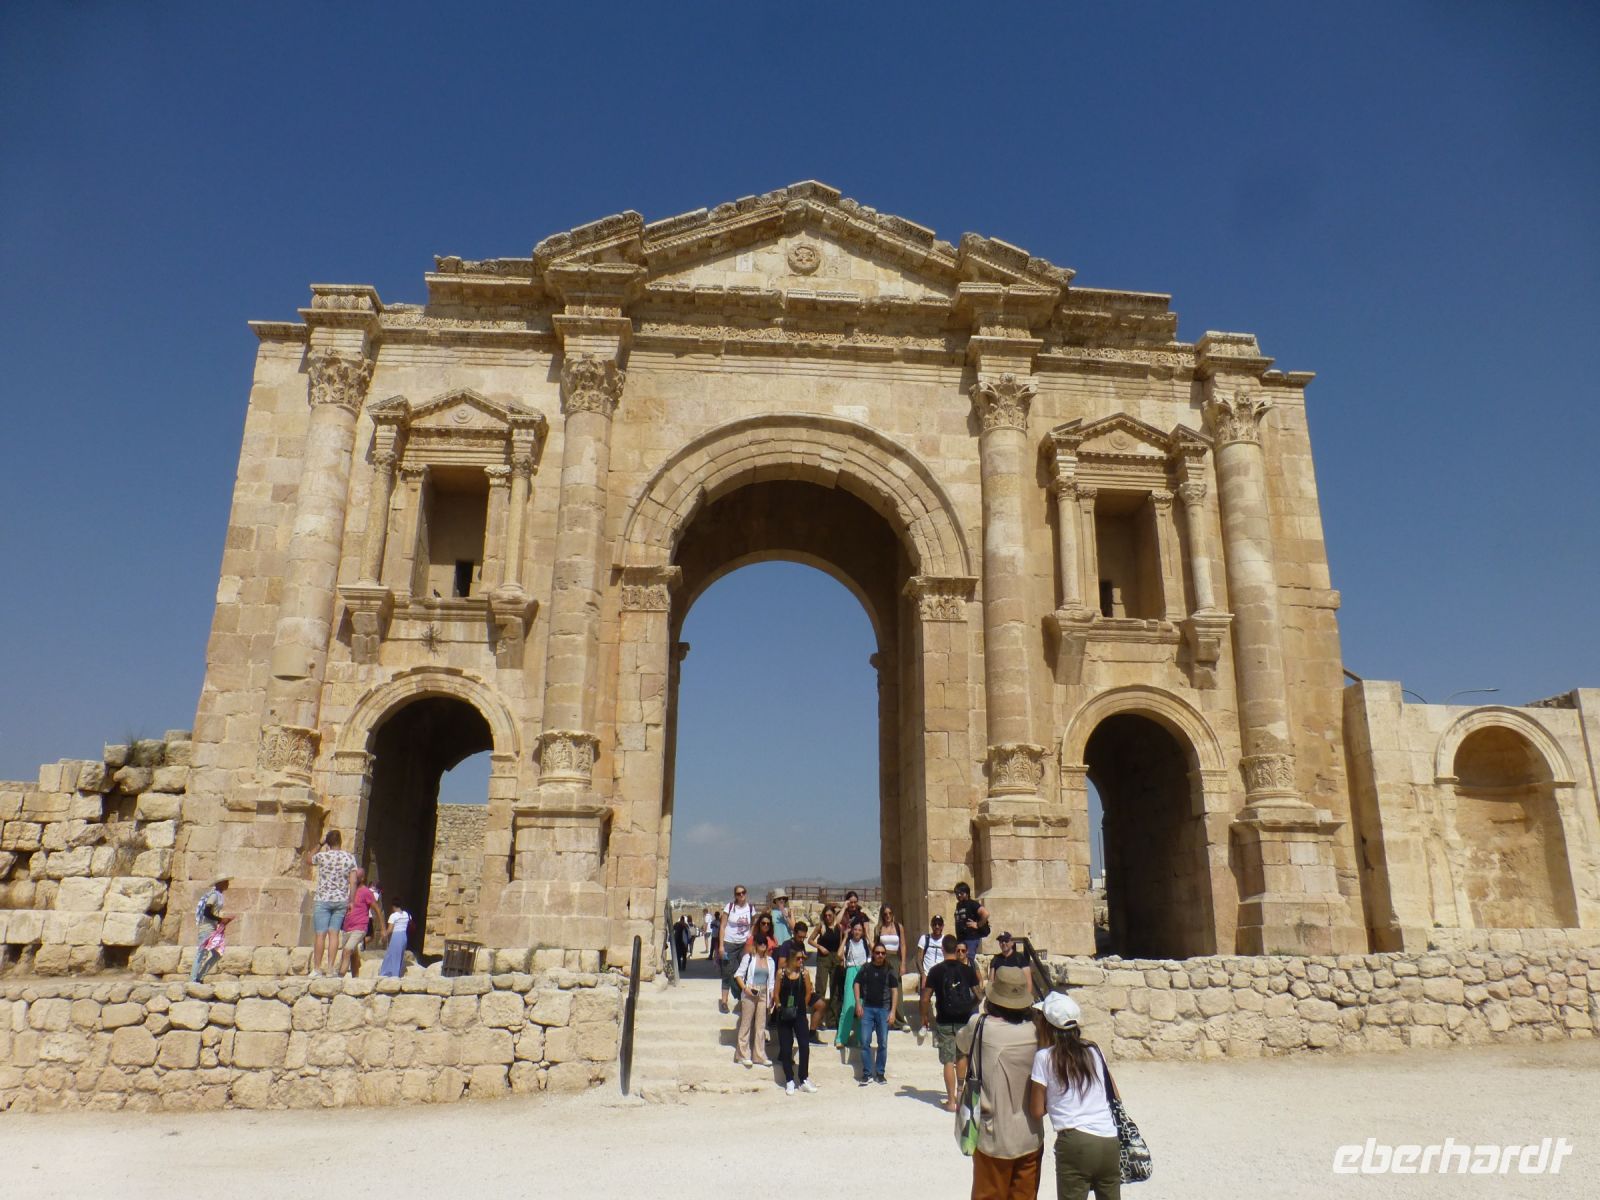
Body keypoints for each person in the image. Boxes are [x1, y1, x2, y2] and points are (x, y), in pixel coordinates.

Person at [956, 967, 1047, 1199]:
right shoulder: (1037, 1031)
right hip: (1030, 1134)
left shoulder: (980, 1025)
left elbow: (962, 1043)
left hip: (993, 1135)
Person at [1028, 991, 1121, 1200]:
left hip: (1075, 1143)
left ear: (1047, 1025)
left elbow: (1036, 1111)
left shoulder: (1044, 1058)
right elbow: (1114, 1094)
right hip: (1108, 1139)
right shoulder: (1094, 1050)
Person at [926, 934, 982, 1110]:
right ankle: (960, 1092)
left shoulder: (935, 971)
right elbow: (979, 994)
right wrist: (970, 1005)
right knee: (962, 1055)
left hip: (944, 1019)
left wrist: (926, 1016)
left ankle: (951, 1102)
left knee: (948, 1061)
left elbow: (925, 997)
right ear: (955, 949)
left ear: (942, 948)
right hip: (963, 1019)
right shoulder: (967, 970)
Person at [304, 830, 357, 976]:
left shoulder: (323, 856)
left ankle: (316, 968)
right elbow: (353, 881)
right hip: (340, 900)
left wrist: (320, 844)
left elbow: (308, 859)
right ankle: (331, 968)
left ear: (328, 842)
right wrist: (351, 901)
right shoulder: (349, 858)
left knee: (320, 935)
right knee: (334, 935)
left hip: (323, 899)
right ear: (340, 841)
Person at [771, 945, 818, 1094]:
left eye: (802, 958)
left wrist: (801, 1008)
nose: (800, 961)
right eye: (797, 958)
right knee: (786, 1048)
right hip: (784, 1014)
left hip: (799, 1014)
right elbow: (776, 993)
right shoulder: (781, 973)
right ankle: (789, 1079)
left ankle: (803, 1077)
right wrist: (779, 1005)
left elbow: (808, 993)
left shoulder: (804, 973)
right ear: (791, 959)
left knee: (804, 1046)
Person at [851, 942, 899, 1085]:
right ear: (873, 954)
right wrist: (858, 1003)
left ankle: (880, 1073)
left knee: (882, 1043)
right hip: (868, 1009)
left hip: (883, 1009)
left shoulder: (889, 970)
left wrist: (893, 1011)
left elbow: (894, 990)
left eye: (883, 953)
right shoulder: (866, 968)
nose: (880, 956)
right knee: (865, 1041)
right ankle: (867, 1074)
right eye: (877, 953)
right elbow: (856, 983)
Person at [733, 937, 775, 1068]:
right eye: (761, 943)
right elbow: (738, 975)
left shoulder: (770, 961)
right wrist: (745, 988)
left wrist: (772, 996)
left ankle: (759, 1055)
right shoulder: (749, 958)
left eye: (765, 943)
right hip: (751, 991)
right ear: (756, 944)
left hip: (763, 993)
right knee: (746, 1024)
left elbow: (771, 981)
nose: (763, 945)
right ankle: (743, 1054)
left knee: (761, 1025)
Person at [833, 919, 871, 1049]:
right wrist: (845, 937)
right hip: (851, 972)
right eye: (855, 929)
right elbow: (839, 955)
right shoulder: (848, 943)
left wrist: (867, 935)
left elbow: (874, 948)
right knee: (848, 1006)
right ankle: (841, 1038)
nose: (857, 932)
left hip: (864, 972)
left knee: (863, 1008)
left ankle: (862, 1039)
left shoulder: (865, 943)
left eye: (860, 930)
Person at [337, 868, 381, 977]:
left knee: (347, 950)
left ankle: (341, 976)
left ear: (362, 878)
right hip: (347, 927)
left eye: (356, 877)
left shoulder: (366, 892)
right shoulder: (349, 891)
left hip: (360, 926)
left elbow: (377, 909)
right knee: (351, 954)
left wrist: (383, 929)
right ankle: (355, 976)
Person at [190, 877, 233, 982]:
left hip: (213, 928)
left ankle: (199, 977)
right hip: (207, 928)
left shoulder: (219, 895)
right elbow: (207, 912)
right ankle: (193, 980)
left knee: (217, 954)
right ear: (220, 883)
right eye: (226, 882)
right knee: (202, 953)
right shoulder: (214, 896)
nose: (228, 884)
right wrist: (221, 920)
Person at [719, 885, 754, 1013]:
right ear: (735, 895)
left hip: (744, 944)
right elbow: (722, 926)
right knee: (727, 972)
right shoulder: (729, 907)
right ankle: (724, 1001)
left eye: (743, 892)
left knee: (745, 971)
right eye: (738, 893)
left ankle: (743, 1000)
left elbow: (753, 925)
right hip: (730, 943)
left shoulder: (750, 908)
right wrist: (721, 946)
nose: (741, 895)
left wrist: (750, 937)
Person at [808, 904, 842, 1036]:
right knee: (821, 987)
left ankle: (832, 1020)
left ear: (834, 915)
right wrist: (820, 947)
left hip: (835, 957)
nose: (828, 917)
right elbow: (810, 940)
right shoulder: (821, 927)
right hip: (823, 958)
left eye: (830, 915)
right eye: (826, 915)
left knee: (835, 989)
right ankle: (818, 1019)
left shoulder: (838, 927)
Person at [874, 903, 909, 1028]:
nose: (887, 916)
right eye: (885, 914)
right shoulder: (878, 928)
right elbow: (875, 946)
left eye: (889, 913)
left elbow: (903, 945)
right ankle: (883, 1019)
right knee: (882, 988)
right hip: (882, 959)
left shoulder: (899, 927)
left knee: (896, 988)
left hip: (895, 959)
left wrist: (903, 963)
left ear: (892, 914)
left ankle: (900, 1020)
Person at [914, 914, 947, 1030]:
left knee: (942, 1000)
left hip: (941, 974)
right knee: (924, 999)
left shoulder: (945, 940)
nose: (937, 926)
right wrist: (922, 974)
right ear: (931, 925)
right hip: (928, 973)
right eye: (934, 924)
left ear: (942, 926)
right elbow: (918, 958)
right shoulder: (925, 939)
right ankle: (924, 1023)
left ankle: (941, 1024)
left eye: (939, 924)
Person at [953, 881, 990, 961]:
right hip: (961, 939)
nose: (958, 895)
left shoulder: (972, 904)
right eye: (957, 893)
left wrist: (978, 925)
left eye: (961, 893)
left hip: (970, 939)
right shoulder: (959, 905)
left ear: (967, 893)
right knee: (960, 961)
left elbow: (985, 914)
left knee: (968, 960)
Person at [378, 897, 410, 977]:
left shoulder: (393, 916)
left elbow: (390, 930)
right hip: (404, 936)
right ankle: (394, 973)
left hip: (396, 937)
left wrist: (383, 937)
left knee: (392, 955)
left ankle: (391, 974)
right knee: (399, 956)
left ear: (393, 906)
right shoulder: (406, 914)